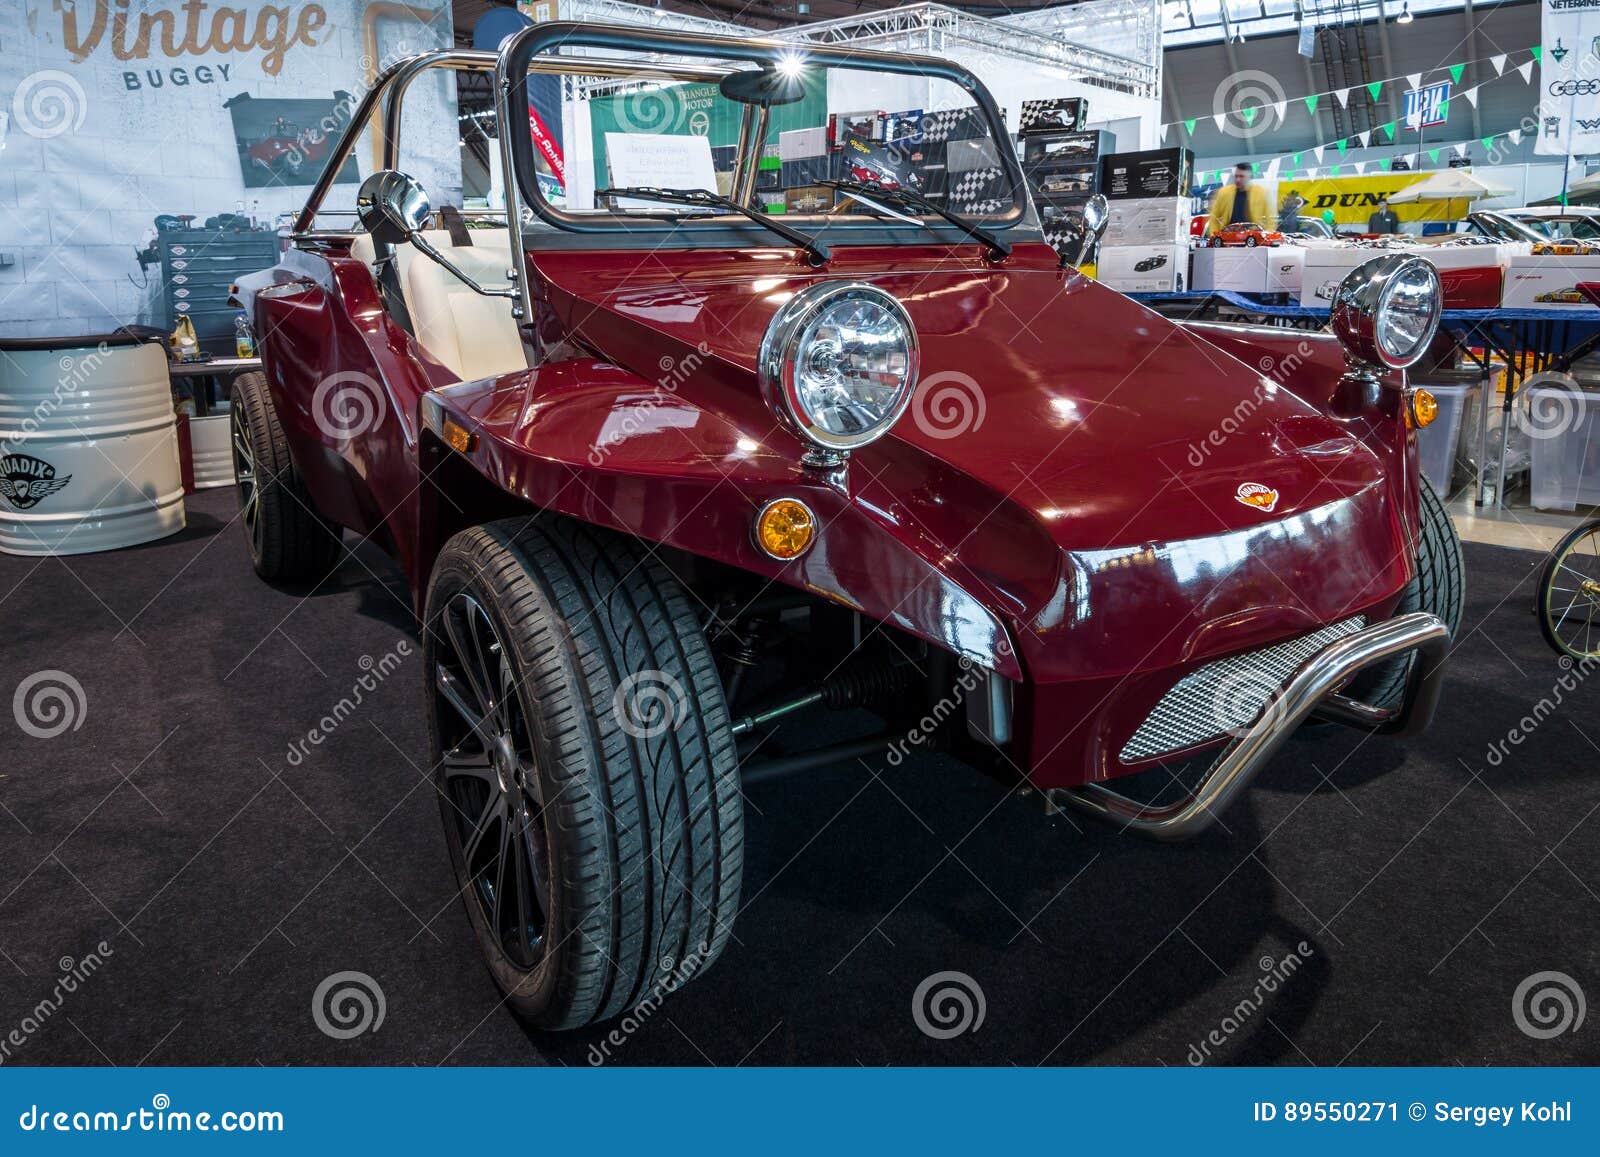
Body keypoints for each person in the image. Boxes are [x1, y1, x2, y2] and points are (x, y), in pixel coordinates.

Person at [1205, 162, 1271, 236]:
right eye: (1236, 176)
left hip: (1253, 238)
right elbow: (1213, 218)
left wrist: (1266, 237)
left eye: (1241, 176)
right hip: (1228, 238)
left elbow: (1270, 220)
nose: (1238, 179)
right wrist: (1214, 236)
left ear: (1249, 177)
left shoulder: (1261, 193)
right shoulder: (1223, 193)